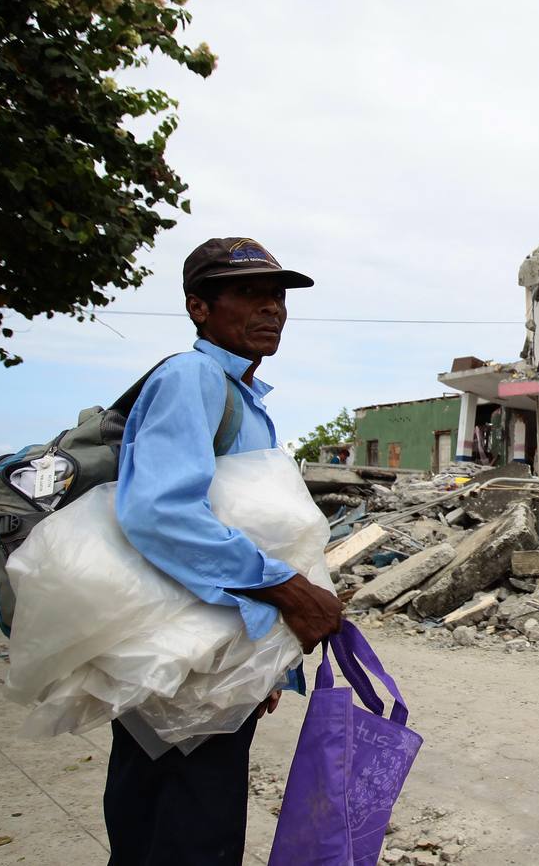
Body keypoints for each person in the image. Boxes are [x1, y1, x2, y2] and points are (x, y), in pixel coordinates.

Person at [107, 237, 344, 864]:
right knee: (187, 839)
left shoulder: (242, 397)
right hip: (179, 665)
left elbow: (236, 519)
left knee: (163, 831)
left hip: (207, 660)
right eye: (248, 293)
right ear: (199, 307)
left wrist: (261, 662)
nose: (270, 309)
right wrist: (289, 591)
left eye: (277, 296)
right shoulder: (192, 377)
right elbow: (162, 513)